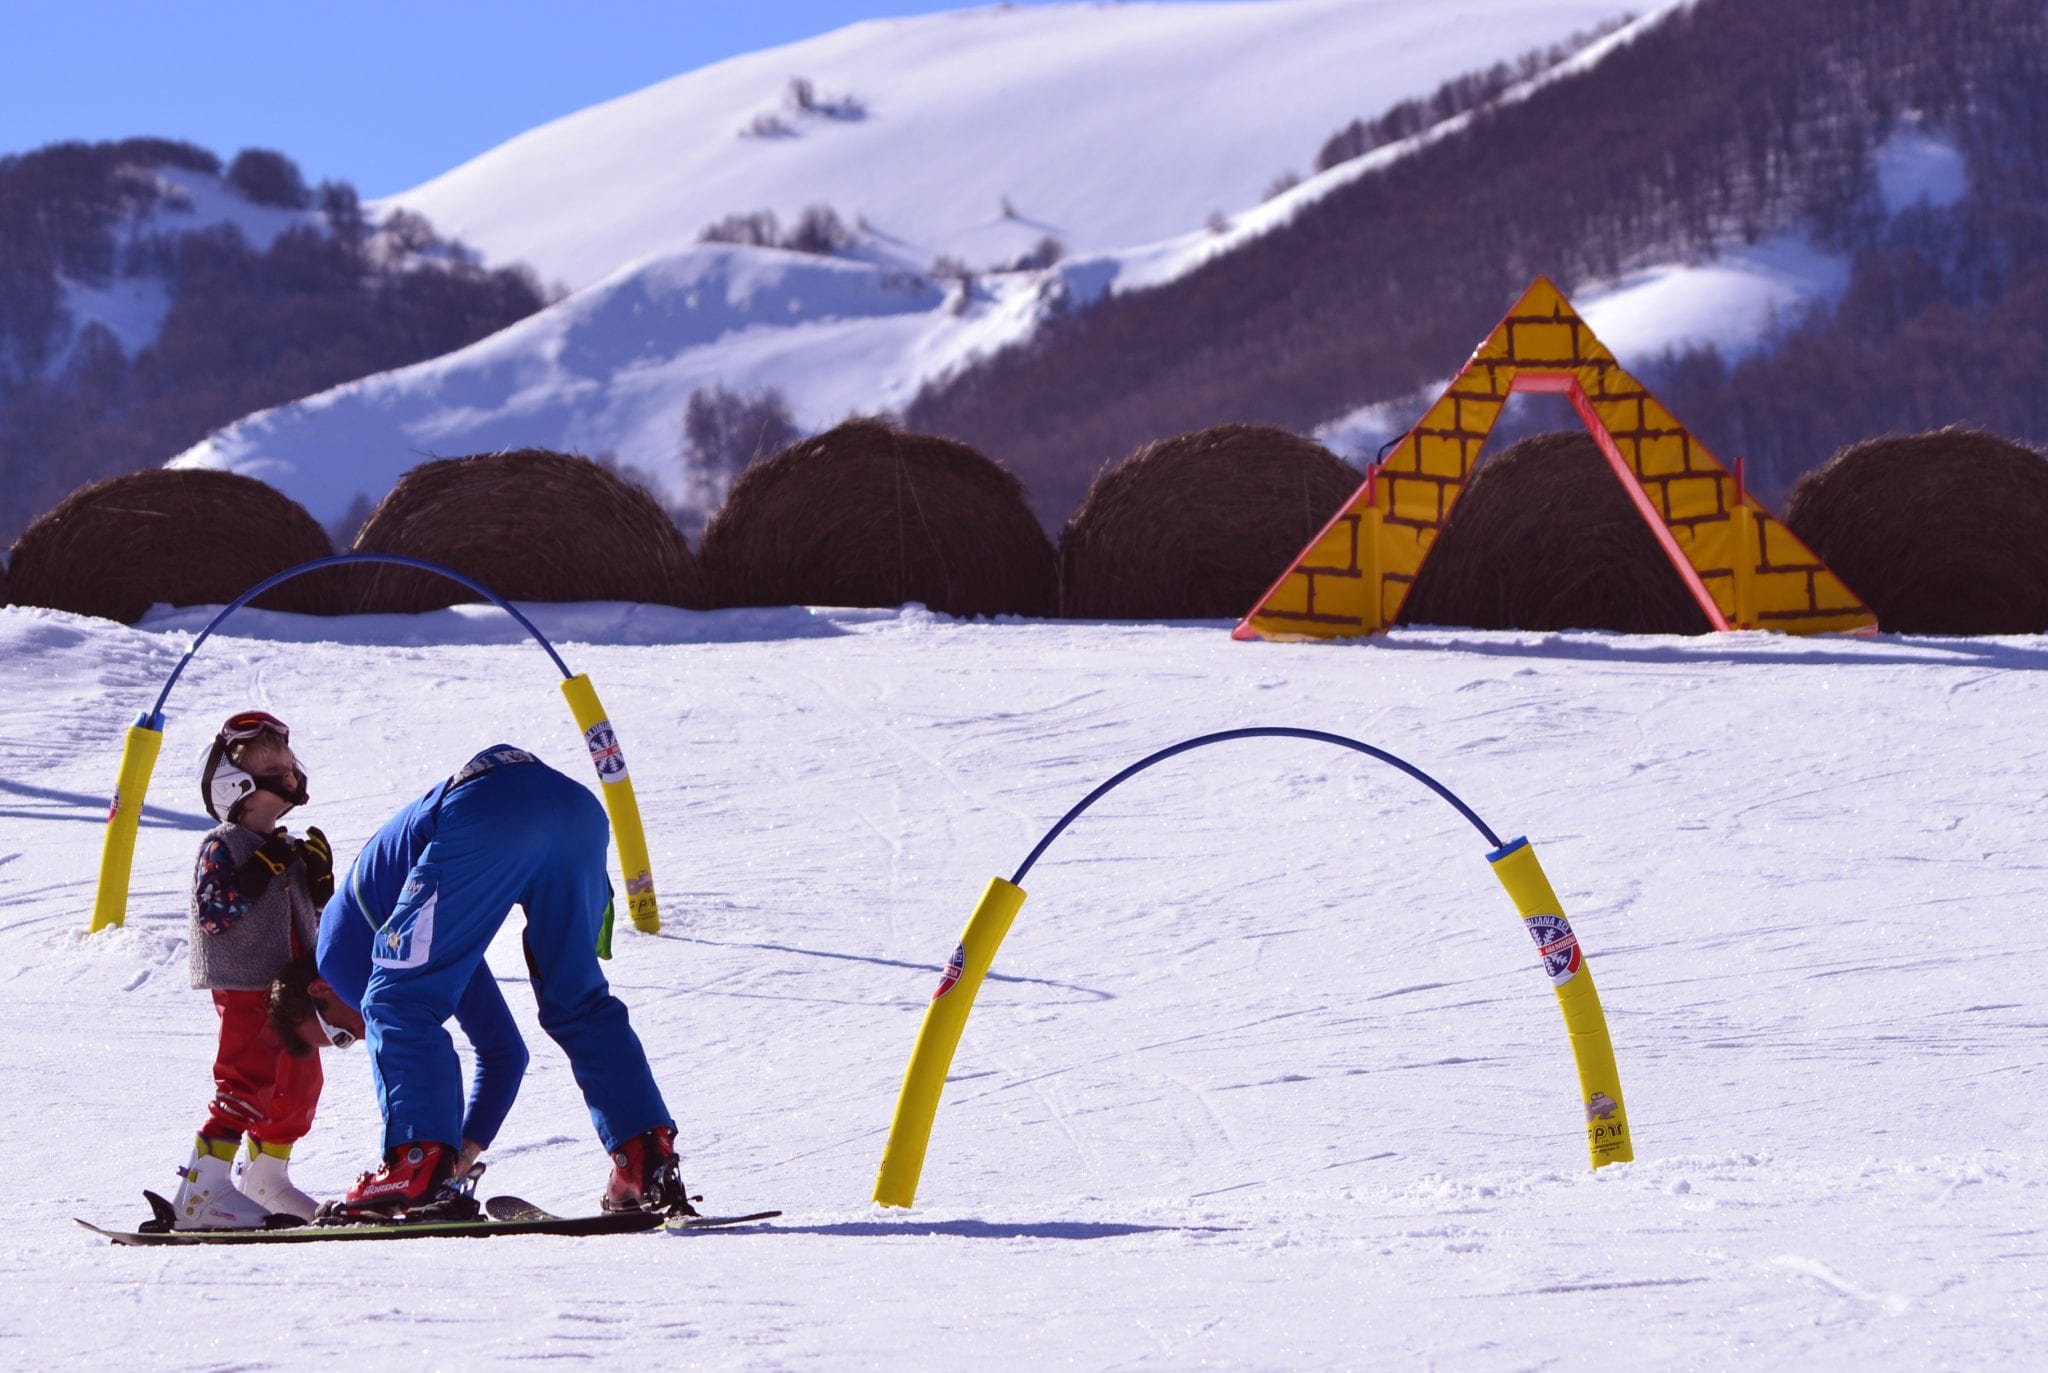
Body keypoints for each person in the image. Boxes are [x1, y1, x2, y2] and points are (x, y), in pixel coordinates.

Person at [266, 743, 686, 1222]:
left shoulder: (336, 953)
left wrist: (429, 1160)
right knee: (577, 1001)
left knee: (394, 1000)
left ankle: (412, 1165)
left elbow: (399, 1007)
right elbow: (503, 1052)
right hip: (573, 811)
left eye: (339, 1034)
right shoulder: (413, 931)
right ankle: (643, 1160)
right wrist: (459, 1158)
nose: (355, 1038)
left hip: (489, 809)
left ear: (320, 990)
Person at [169, 710, 334, 1228]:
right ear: (237, 785)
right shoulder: (222, 844)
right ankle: (201, 1191)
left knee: (300, 1082)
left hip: (292, 990)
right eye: (276, 771)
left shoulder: (284, 848)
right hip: (245, 984)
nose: (289, 777)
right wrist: (259, 871)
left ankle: (266, 1179)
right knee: (247, 1080)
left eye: (290, 767)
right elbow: (215, 914)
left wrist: (321, 881)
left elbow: (314, 915)